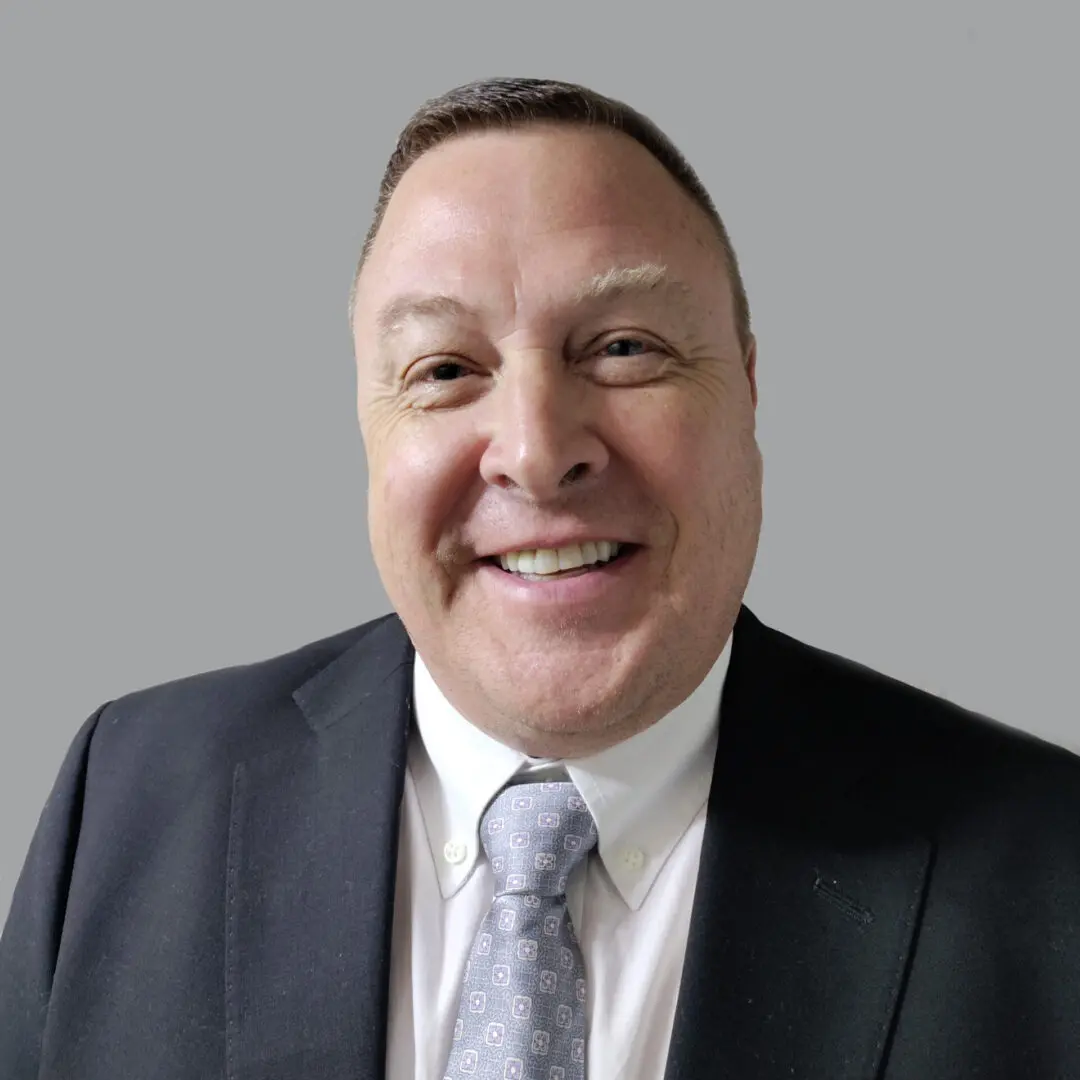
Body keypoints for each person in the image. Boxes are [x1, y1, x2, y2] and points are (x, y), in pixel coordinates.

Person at [1, 76, 1078, 1080]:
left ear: (747, 390)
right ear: (367, 425)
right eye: (445, 371)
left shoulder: (1048, 866)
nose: (534, 446)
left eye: (623, 349)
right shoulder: (128, 796)